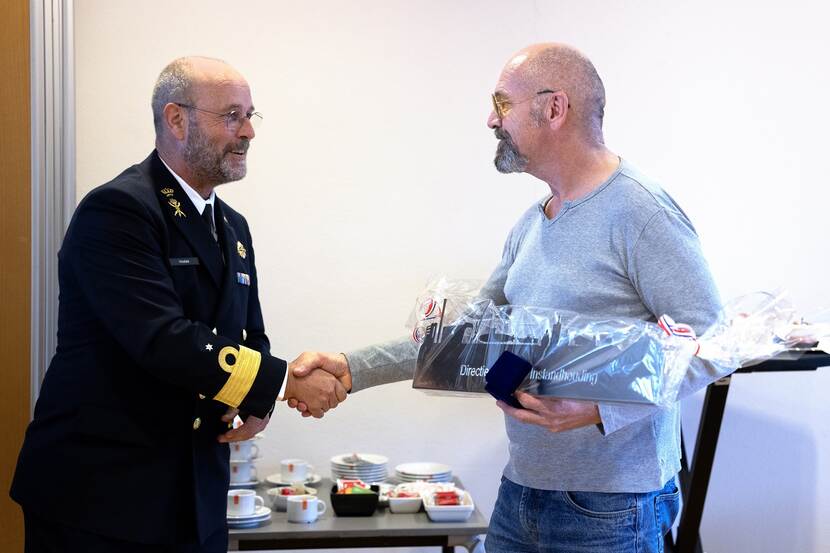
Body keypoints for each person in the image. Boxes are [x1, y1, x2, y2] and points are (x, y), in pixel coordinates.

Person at [290, 43, 730, 552]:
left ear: (554, 108)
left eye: (501, 103)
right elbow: (463, 342)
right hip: (522, 491)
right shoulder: (531, 224)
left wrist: (600, 411)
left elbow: (714, 345)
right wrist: (349, 368)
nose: (490, 120)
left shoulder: (641, 212)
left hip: (611, 508)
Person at [10, 56, 347, 553]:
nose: (249, 131)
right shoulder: (119, 211)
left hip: (195, 497)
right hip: (100, 500)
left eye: (252, 115)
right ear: (176, 118)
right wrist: (278, 382)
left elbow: (247, 334)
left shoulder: (232, 226)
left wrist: (255, 404)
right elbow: (164, 340)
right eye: (232, 115)